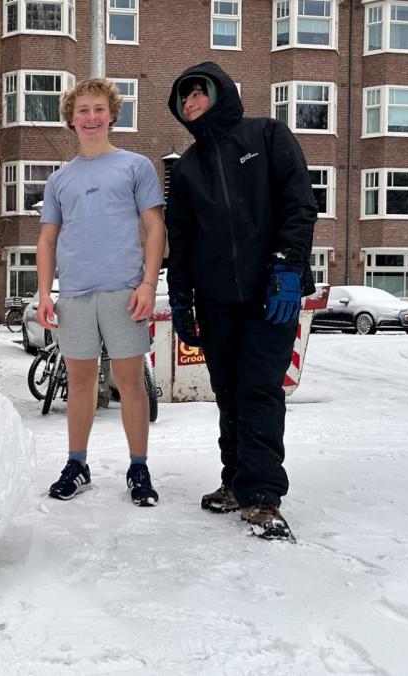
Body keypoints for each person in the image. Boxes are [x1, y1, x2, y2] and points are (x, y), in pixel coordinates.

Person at [164, 62, 317, 541]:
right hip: (216, 303)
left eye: (198, 93)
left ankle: (263, 496)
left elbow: (298, 203)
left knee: (259, 390)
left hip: (272, 292)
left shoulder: (267, 136)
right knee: (228, 392)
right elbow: (181, 242)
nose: (190, 103)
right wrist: (182, 301)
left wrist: (289, 267)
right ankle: (236, 481)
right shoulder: (188, 167)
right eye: (183, 98)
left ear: (220, 92)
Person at [36, 78, 167, 506]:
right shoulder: (60, 179)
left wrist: (149, 283)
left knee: (128, 383)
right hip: (74, 294)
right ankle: (77, 465)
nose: (90, 118)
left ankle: (139, 468)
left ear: (112, 114)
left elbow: (154, 227)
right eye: (82, 111)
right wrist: (44, 293)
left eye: (98, 109)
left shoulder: (136, 166)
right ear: (70, 120)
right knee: (80, 382)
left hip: (124, 292)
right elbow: (48, 240)